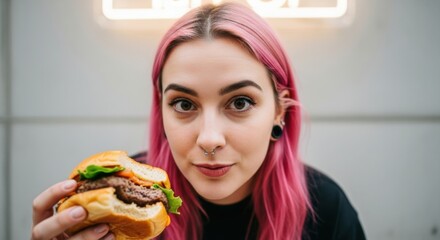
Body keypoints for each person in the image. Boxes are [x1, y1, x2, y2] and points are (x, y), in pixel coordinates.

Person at [31, 2, 366, 240]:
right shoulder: (114, 214)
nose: (209, 139)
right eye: (183, 103)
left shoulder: (326, 209)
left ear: (280, 110)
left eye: (240, 102)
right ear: (160, 110)